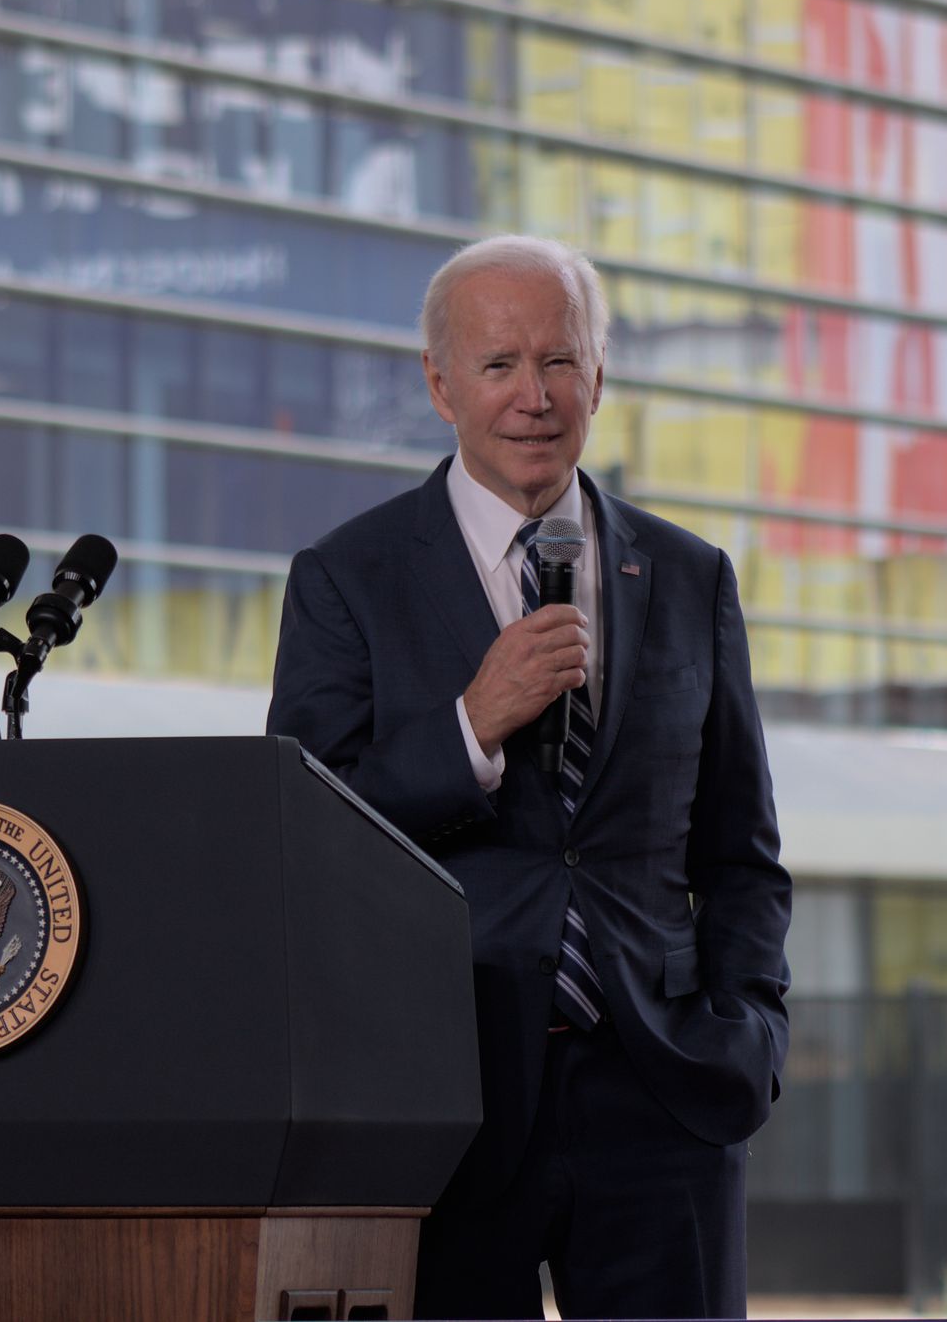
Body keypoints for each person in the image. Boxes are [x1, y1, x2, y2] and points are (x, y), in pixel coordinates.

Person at [265, 235, 791, 1319]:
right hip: (443, 1109)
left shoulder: (691, 577)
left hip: (664, 1098)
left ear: (599, 374)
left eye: (559, 361)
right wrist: (469, 726)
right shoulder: (346, 580)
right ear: (439, 381)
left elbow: (740, 854)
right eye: (500, 364)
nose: (534, 397)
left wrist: (750, 1032)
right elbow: (306, 846)